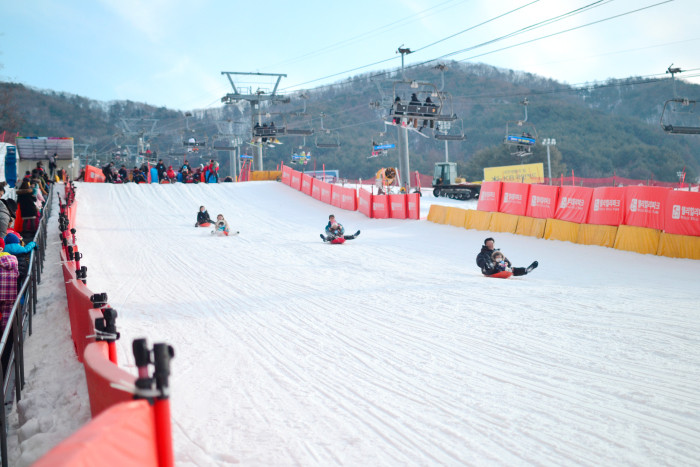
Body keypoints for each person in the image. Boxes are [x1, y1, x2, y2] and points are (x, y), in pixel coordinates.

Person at [0, 238, 18, 330]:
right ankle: (6, 334)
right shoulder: (13, 260)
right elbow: (17, 274)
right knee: (7, 316)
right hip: (10, 293)